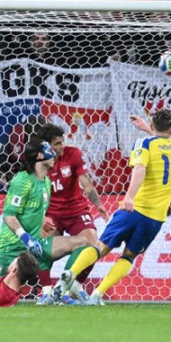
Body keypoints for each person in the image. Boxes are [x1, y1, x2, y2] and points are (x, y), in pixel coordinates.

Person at [50, 109, 171, 305]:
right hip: (156, 217)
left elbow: (140, 168)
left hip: (133, 209)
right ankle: (98, 294)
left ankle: (70, 275)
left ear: (152, 124)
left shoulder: (144, 143)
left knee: (101, 247)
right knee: (129, 256)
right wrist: (149, 129)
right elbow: (163, 143)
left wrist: (129, 197)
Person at [0, 139, 89, 303]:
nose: (54, 154)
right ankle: (46, 293)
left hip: (36, 248)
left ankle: (60, 290)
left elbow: (35, 211)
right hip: (10, 249)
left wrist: (43, 222)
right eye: (49, 151)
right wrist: (26, 238)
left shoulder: (46, 182)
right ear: (40, 156)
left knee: (83, 243)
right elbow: (9, 216)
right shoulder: (22, 181)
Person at [35, 123, 109, 303]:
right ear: (46, 146)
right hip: (52, 214)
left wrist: (98, 204)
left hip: (76, 211)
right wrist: (41, 216)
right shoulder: (39, 161)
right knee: (40, 248)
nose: (62, 146)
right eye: (57, 144)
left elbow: (86, 183)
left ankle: (74, 287)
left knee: (93, 246)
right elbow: (35, 190)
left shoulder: (73, 154)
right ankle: (46, 292)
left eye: (62, 142)